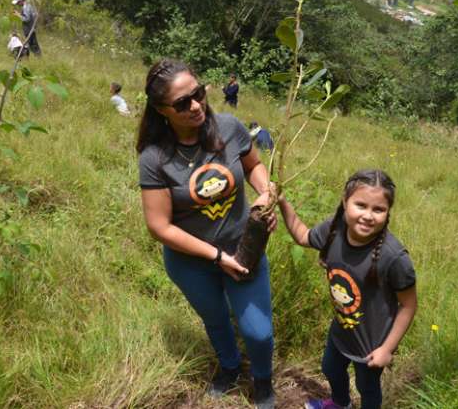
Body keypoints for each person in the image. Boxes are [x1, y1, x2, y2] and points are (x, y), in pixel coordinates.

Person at [137, 59, 277, 409]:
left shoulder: (229, 127)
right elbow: (159, 226)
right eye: (183, 103)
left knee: (259, 332)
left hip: (243, 250)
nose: (196, 106)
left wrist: (265, 195)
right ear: (161, 110)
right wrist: (215, 257)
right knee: (215, 320)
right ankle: (229, 367)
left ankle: (262, 379)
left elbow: (254, 165)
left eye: (198, 94)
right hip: (191, 263)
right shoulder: (154, 158)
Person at [277, 170, 417, 409]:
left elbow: (408, 305)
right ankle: (341, 404)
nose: (368, 216)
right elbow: (302, 235)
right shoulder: (334, 231)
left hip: (372, 344)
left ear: (388, 212)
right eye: (360, 205)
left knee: (367, 388)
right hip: (341, 329)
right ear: (345, 201)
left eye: (378, 209)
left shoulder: (394, 258)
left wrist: (387, 349)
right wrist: (281, 201)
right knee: (329, 368)